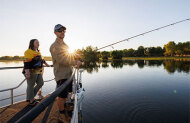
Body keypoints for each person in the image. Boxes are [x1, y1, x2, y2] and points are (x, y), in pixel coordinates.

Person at [50, 24, 81, 121]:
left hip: (68, 74)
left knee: (66, 94)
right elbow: (61, 60)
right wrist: (75, 62)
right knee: (61, 96)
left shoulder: (65, 45)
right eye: (60, 31)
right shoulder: (54, 46)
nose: (62, 32)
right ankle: (61, 114)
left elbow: (68, 56)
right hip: (61, 75)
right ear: (55, 33)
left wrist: (76, 56)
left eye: (63, 31)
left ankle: (65, 108)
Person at [23, 39, 50, 105]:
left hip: (38, 71)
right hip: (31, 71)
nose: (38, 43)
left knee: (41, 83)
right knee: (31, 86)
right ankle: (31, 101)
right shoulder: (28, 51)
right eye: (37, 42)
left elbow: (41, 59)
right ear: (32, 43)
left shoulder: (38, 51)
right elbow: (26, 62)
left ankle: (30, 97)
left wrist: (46, 64)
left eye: (39, 42)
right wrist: (27, 72)